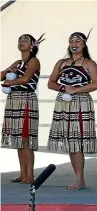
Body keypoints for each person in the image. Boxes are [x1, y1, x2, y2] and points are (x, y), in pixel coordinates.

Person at [47, 31, 97, 190]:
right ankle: (78, 178)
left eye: (77, 41)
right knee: (71, 141)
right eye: (71, 41)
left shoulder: (89, 63)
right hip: (63, 103)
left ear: (84, 44)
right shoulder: (61, 62)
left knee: (77, 140)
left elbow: (96, 84)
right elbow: (51, 83)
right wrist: (64, 87)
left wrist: (76, 90)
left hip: (80, 103)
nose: (74, 43)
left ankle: (79, 179)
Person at [1, 34, 44, 184]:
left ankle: (30, 175)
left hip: (26, 100)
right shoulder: (18, 62)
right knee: (19, 139)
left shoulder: (34, 61)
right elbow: (1, 75)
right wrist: (8, 71)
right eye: (19, 40)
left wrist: (9, 82)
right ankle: (23, 173)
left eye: (25, 40)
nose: (21, 42)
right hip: (13, 100)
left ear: (33, 45)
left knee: (25, 138)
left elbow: (26, 79)